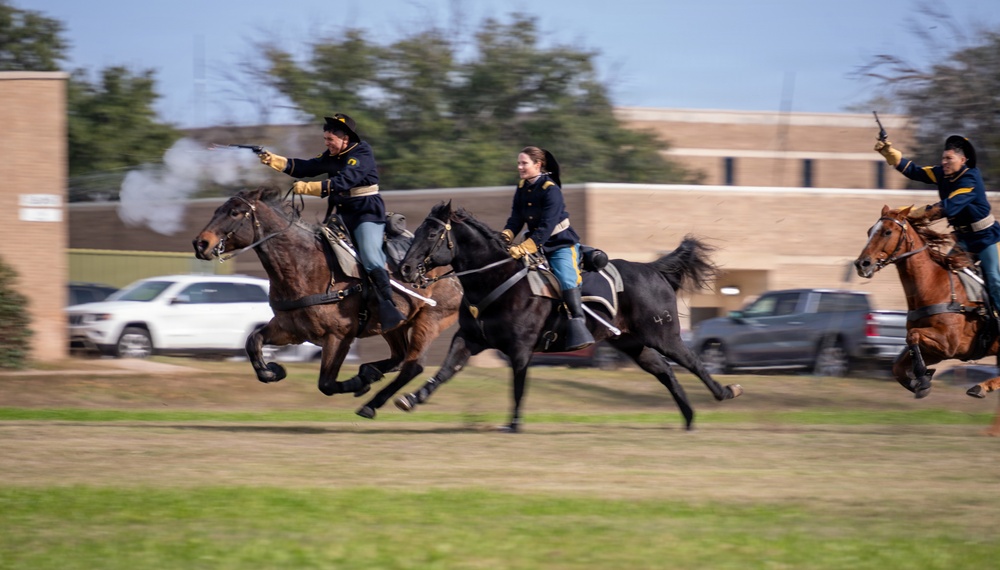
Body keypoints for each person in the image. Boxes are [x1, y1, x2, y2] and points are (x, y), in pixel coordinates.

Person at [258, 113, 406, 331]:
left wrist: (308, 188)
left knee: (370, 256)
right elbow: (307, 167)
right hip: (342, 214)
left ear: (345, 138)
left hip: (366, 213)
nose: (327, 144)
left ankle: (388, 305)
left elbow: (345, 181)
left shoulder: (361, 152)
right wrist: (274, 160)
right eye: (326, 139)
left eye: (330, 140)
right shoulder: (333, 154)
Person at [876, 134, 1000, 317]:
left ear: (963, 160)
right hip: (964, 239)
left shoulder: (970, 179)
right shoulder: (942, 173)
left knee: (995, 281)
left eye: (949, 158)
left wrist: (915, 213)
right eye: (943, 158)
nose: (944, 162)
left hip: (987, 238)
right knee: (948, 275)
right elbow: (914, 171)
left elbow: (949, 207)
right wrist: (891, 155)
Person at [501, 146, 595, 351]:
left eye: (523, 163)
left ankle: (578, 321)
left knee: (566, 278)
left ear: (538, 164)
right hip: (534, 244)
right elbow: (516, 217)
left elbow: (547, 225)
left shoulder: (551, 189)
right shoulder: (522, 186)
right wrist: (506, 235)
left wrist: (526, 247)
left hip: (559, 243)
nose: (519, 167)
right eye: (518, 163)